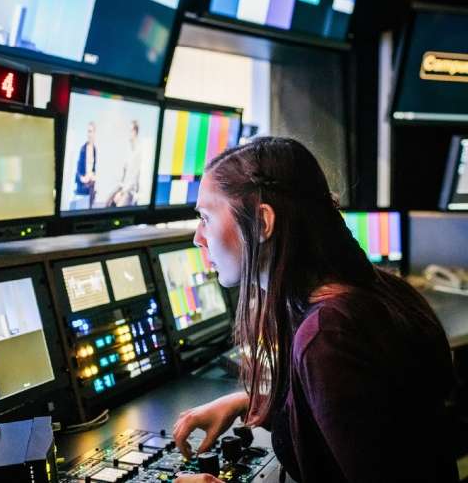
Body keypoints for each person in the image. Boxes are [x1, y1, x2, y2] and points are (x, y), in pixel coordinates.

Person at [173, 137, 457, 482]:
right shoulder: (376, 289)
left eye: (205, 218)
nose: (198, 238)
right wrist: (248, 401)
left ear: (262, 223)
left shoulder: (328, 334)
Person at [106, 120, 142, 207]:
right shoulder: (129, 150)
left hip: (130, 191)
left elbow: (133, 181)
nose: (128, 133)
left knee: (118, 205)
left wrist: (121, 193)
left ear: (134, 132)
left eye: (129, 131)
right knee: (108, 201)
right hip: (123, 187)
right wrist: (118, 188)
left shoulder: (138, 152)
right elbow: (124, 174)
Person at [74, 121, 97, 208]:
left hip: (90, 190)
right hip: (82, 190)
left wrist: (93, 176)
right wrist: (83, 179)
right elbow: (77, 171)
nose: (89, 134)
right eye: (88, 131)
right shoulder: (83, 149)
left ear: (94, 133)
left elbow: (93, 169)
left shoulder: (94, 149)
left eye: (91, 131)